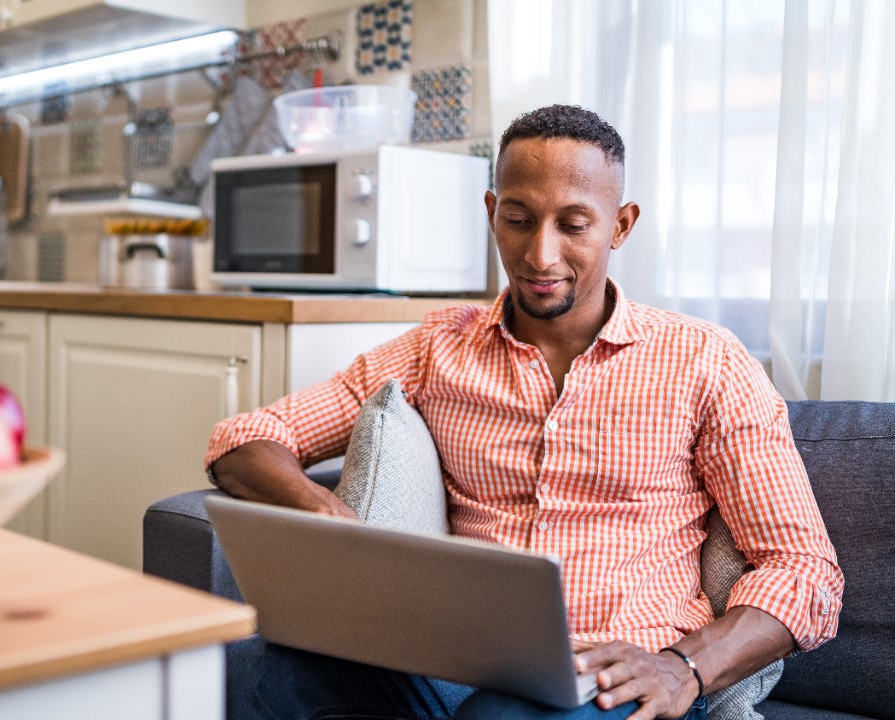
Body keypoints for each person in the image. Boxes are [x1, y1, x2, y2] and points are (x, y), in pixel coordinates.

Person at [204, 104, 844, 720]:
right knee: (260, 670)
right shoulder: (437, 349)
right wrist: (328, 516)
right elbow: (244, 440)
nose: (540, 256)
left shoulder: (705, 361)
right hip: (452, 661)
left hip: (623, 675)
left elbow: (805, 570)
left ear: (620, 226)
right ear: (491, 214)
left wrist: (686, 666)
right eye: (518, 219)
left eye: (573, 225)